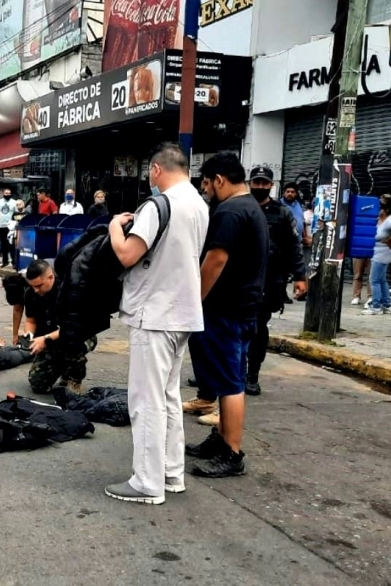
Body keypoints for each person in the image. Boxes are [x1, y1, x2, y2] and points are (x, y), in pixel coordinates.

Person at [102, 143, 209, 505]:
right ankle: (170, 472)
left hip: (155, 313)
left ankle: (147, 482)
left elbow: (128, 253)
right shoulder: (198, 205)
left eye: (150, 172)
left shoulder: (158, 205)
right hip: (182, 313)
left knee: (146, 399)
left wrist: (115, 227)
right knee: (168, 395)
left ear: (157, 170)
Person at [186, 153, 269, 478]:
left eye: (207, 184)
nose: (206, 191)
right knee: (227, 377)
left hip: (226, 310)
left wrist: (194, 300)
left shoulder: (230, 211)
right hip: (244, 308)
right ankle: (220, 439)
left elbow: (216, 260)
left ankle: (231, 452)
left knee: (230, 382)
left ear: (219, 179)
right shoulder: (251, 207)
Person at [244, 166, 306, 394]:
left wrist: (300, 276)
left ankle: (252, 375)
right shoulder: (241, 206)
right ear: (250, 183)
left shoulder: (281, 213)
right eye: (256, 182)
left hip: (269, 281)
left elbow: (294, 247)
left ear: (271, 185)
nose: (260, 187)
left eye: (264, 183)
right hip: (240, 279)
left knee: (258, 328)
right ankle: (230, 372)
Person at [23, 259, 95, 394]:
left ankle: (74, 377)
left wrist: (45, 339)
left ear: (50, 278)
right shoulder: (31, 293)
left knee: (73, 344)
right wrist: (29, 334)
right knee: (38, 385)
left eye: (39, 286)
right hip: (49, 338)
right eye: (32, 286)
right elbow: (30, 321)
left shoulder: (69, 291)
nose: (35, 290)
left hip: (77, 333)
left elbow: (72, 328)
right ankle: (61, 366)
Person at [362, 194, 391, 315]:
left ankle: (376, 306)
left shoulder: (389, 220)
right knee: (381, 280)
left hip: (382, 253)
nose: (377, 210)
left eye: (379, 208)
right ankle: (386, 305)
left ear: (385, 210)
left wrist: (390, 239)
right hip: (378, 251)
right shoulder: (379, 219)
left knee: (374, 280)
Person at [0, 189, 16, 268]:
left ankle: (14, 262)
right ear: (3, 193)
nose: (8, 194)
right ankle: (5, 261)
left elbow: (17, 214)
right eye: (6, 193)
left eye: (9, 193)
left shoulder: (14, 202)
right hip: (1, 226)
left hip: (11, 227)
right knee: (3, 245)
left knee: (12, 245)